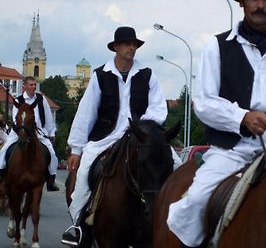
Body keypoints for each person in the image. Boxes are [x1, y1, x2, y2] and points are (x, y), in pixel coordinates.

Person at [167, 0, 266, 248]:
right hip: (234, 149)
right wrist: (242, 117)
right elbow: (203, 102)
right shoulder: (216, 46)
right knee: (196, 199)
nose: (261, 5)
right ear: (242, 2)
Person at [62, 26, 182, 247]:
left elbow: (158, 109)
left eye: (134, 44)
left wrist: (142, 129)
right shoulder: (101, 75)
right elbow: (86, 113)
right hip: (106, 138)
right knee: (85, 173)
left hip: (141, 135)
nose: (131, 47)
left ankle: (177, 221)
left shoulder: (147, 75)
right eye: (127, 44)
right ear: (116, 47)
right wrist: (76, 149)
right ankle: (80, 226)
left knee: (177, 164)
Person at [0, 76, 59, 191]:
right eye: (31, 85)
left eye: (34, 85)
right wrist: (22, 130)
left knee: (53, 155)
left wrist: (51, 133)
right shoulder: (18, 100)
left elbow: (48, 117)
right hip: (20, 132)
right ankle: (2, 173)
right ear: (25, 86)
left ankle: (51, 180)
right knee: (3, 150)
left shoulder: (41, 99)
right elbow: (15, 118)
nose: (33, 87)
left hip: (40, 133)